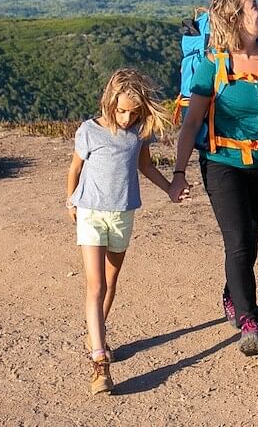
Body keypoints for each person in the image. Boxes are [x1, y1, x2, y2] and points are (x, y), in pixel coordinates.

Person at [167, 0, 258, 357]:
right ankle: (249, 321)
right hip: (222, 162)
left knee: (250, 239)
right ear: (234, 19)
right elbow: (192, 123)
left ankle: (232, 291)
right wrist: (179, 173)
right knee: (238, 240)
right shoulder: (213, 64)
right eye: (254, 6)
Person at [66, 68, 178, 395]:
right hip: (90, 212)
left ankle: (94, 331)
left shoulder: (141, 132)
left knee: (112, 282)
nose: (127, 117)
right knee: (96, 284)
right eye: (122, 110)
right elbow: (75, 169)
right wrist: (70, 202)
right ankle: (100, 363)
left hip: (122, 214)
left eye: (134, 111)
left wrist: (170, 188)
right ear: (109, 102)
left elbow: (145, 166)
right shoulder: (89, 131)